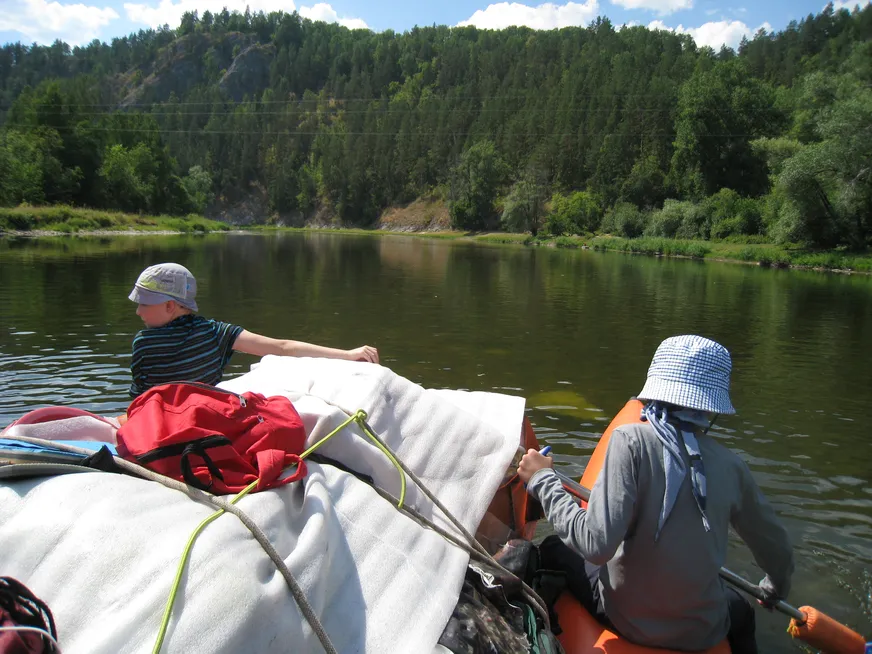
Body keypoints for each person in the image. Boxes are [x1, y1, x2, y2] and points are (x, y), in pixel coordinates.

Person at [517, 335, 794, 653]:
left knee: (553, 547)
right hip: (702, 629)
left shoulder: (629, 441)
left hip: (629, 621)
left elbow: (595, 545)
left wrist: (542, 479)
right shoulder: (732, 466)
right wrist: (773, 588)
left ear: (654, 389)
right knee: (741, 610)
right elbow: (778, 551)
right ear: (711, 408)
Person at [127, 262, 379, 398]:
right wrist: (347, 354)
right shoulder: (216, 332)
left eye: (144, 303)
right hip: (203, 420)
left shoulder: (143, 343)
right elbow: (283, 347)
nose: (138, 311)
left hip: (160, 427)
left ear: (170, 305)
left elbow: (139, 400)